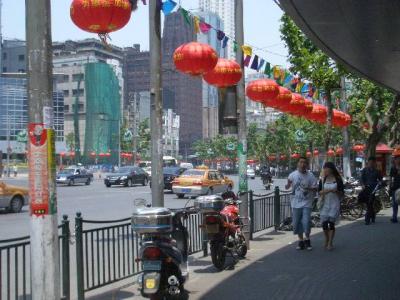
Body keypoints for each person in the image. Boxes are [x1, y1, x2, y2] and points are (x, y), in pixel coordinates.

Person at [286, 157, 317, 250]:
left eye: (304, 163)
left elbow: (315, 188)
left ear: (307, 165)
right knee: (297, 223)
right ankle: (300, 241)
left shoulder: (310, 175)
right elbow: (287, 186)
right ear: (298, 164)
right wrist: (288, 184)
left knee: (306, 221)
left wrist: (308, 189)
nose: (302, 164)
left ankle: (307, 239)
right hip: (295, 203)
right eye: (301, 162)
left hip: (307, 202)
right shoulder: (292, 175)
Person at [318, 162, 344, 250]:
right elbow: (319, 192)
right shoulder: (322, 179)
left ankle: (330, 242)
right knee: (324, 223)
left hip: (334, 203)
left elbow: (341, 193)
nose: (325, 170)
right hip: (325, 203)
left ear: (331, 169)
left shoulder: (338, 179)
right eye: (324, 168)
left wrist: (336, 191)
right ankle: (327, 238)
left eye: (327, 169)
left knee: (331, 223)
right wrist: (326, 191)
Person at [360, 156, 383, 225]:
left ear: (374, 163)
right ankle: (373, 216)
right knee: (368, 204)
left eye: (372, 163)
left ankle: (367, 219)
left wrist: (379, 184)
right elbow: (361, 179)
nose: (371, 164)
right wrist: (363, 185)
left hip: (373, 189)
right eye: (370, 162)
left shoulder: (377, 171)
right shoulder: (365, 170)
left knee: (370, 203)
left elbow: (380, 180)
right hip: (366, 189)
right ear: (368, 162)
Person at [389, 155, 400, 223]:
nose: (398, 160)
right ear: (395, 160)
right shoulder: (393, 168)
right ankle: (394, 217)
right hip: (395, 188)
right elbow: (391, 178)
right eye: (397, 159)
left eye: (399, 159)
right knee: (394, 203)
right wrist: (390, 186)